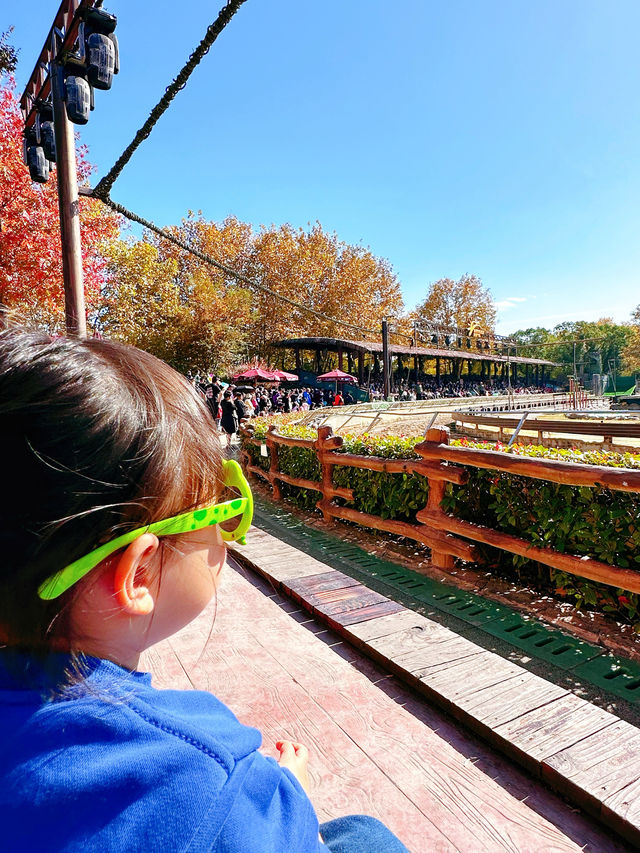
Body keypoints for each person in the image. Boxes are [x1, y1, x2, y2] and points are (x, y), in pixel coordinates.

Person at [0, 329, 409, 853]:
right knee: (366, 837)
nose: (229, 531)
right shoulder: (197, 767)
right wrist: (291, 801)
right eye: (220, 508)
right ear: (138, 573)